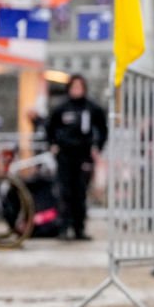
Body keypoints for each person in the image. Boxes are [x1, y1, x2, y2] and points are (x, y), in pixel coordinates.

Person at [45, 74, 107, 241]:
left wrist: (98, 147)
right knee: (65, 192)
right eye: (74, 87)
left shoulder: (91, 107)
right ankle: (64, 227)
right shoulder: (61, 107)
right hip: (65, 155)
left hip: (84, 155)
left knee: (80, 192)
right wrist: (52, 145)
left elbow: (102, 128)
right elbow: (49, 127)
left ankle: (79, 228)